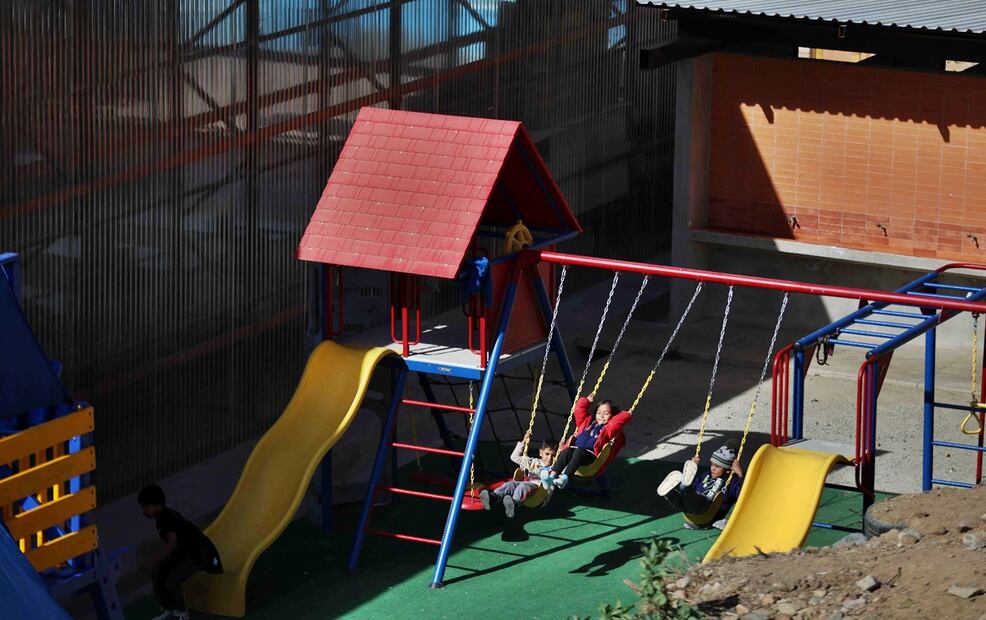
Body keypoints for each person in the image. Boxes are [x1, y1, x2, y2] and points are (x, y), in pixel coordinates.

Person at [139, 484, 223, 620]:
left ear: (158, 504)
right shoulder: (161, 517)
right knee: (158, 572)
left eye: (146, 507)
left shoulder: (167, 518)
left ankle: (182, 612)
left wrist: (155, 559)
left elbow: (172, 544)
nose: (144, 511)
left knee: (172, 577)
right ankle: (168, 608)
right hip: (185, 552)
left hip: (200, 553)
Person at [541, 394, 631, 490]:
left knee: (579, 451)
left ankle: (564, 478)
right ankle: (552, 476)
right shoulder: (587, 422)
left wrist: (626, 414)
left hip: (590, 456)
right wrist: (586, 401)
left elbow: (618, 422)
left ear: (612, 416)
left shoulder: (609, 428)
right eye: (599, 412)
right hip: (575, 451)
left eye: (606, 413)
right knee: (567, 451)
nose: (601, 416)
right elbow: (578, 411)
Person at [656, 444, 744, 529]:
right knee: (681, 501)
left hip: (708, 513)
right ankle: (669, 493)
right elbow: (694, 488)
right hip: (691, 512)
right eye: (712, 464)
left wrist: (740, 474)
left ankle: (684, 486)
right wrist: (693, 467)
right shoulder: (706, 474)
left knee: (690, 495)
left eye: (717, 467)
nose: (713, 468)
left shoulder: (732, 481)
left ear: (728, 470)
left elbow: (743, 494)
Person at [480, 432, 556, 517]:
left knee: (522, 486)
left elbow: (559, 476)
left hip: (539, 491)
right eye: (547, 454)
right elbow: (514, 457)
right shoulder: (533, 462)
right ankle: (493, 497)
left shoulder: (555, 468)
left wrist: (564, 451)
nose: (550, 458)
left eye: (554, 455)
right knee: (511, 484)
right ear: (541, 453)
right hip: (526, 483)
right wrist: (524, 441)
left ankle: (514, 503)